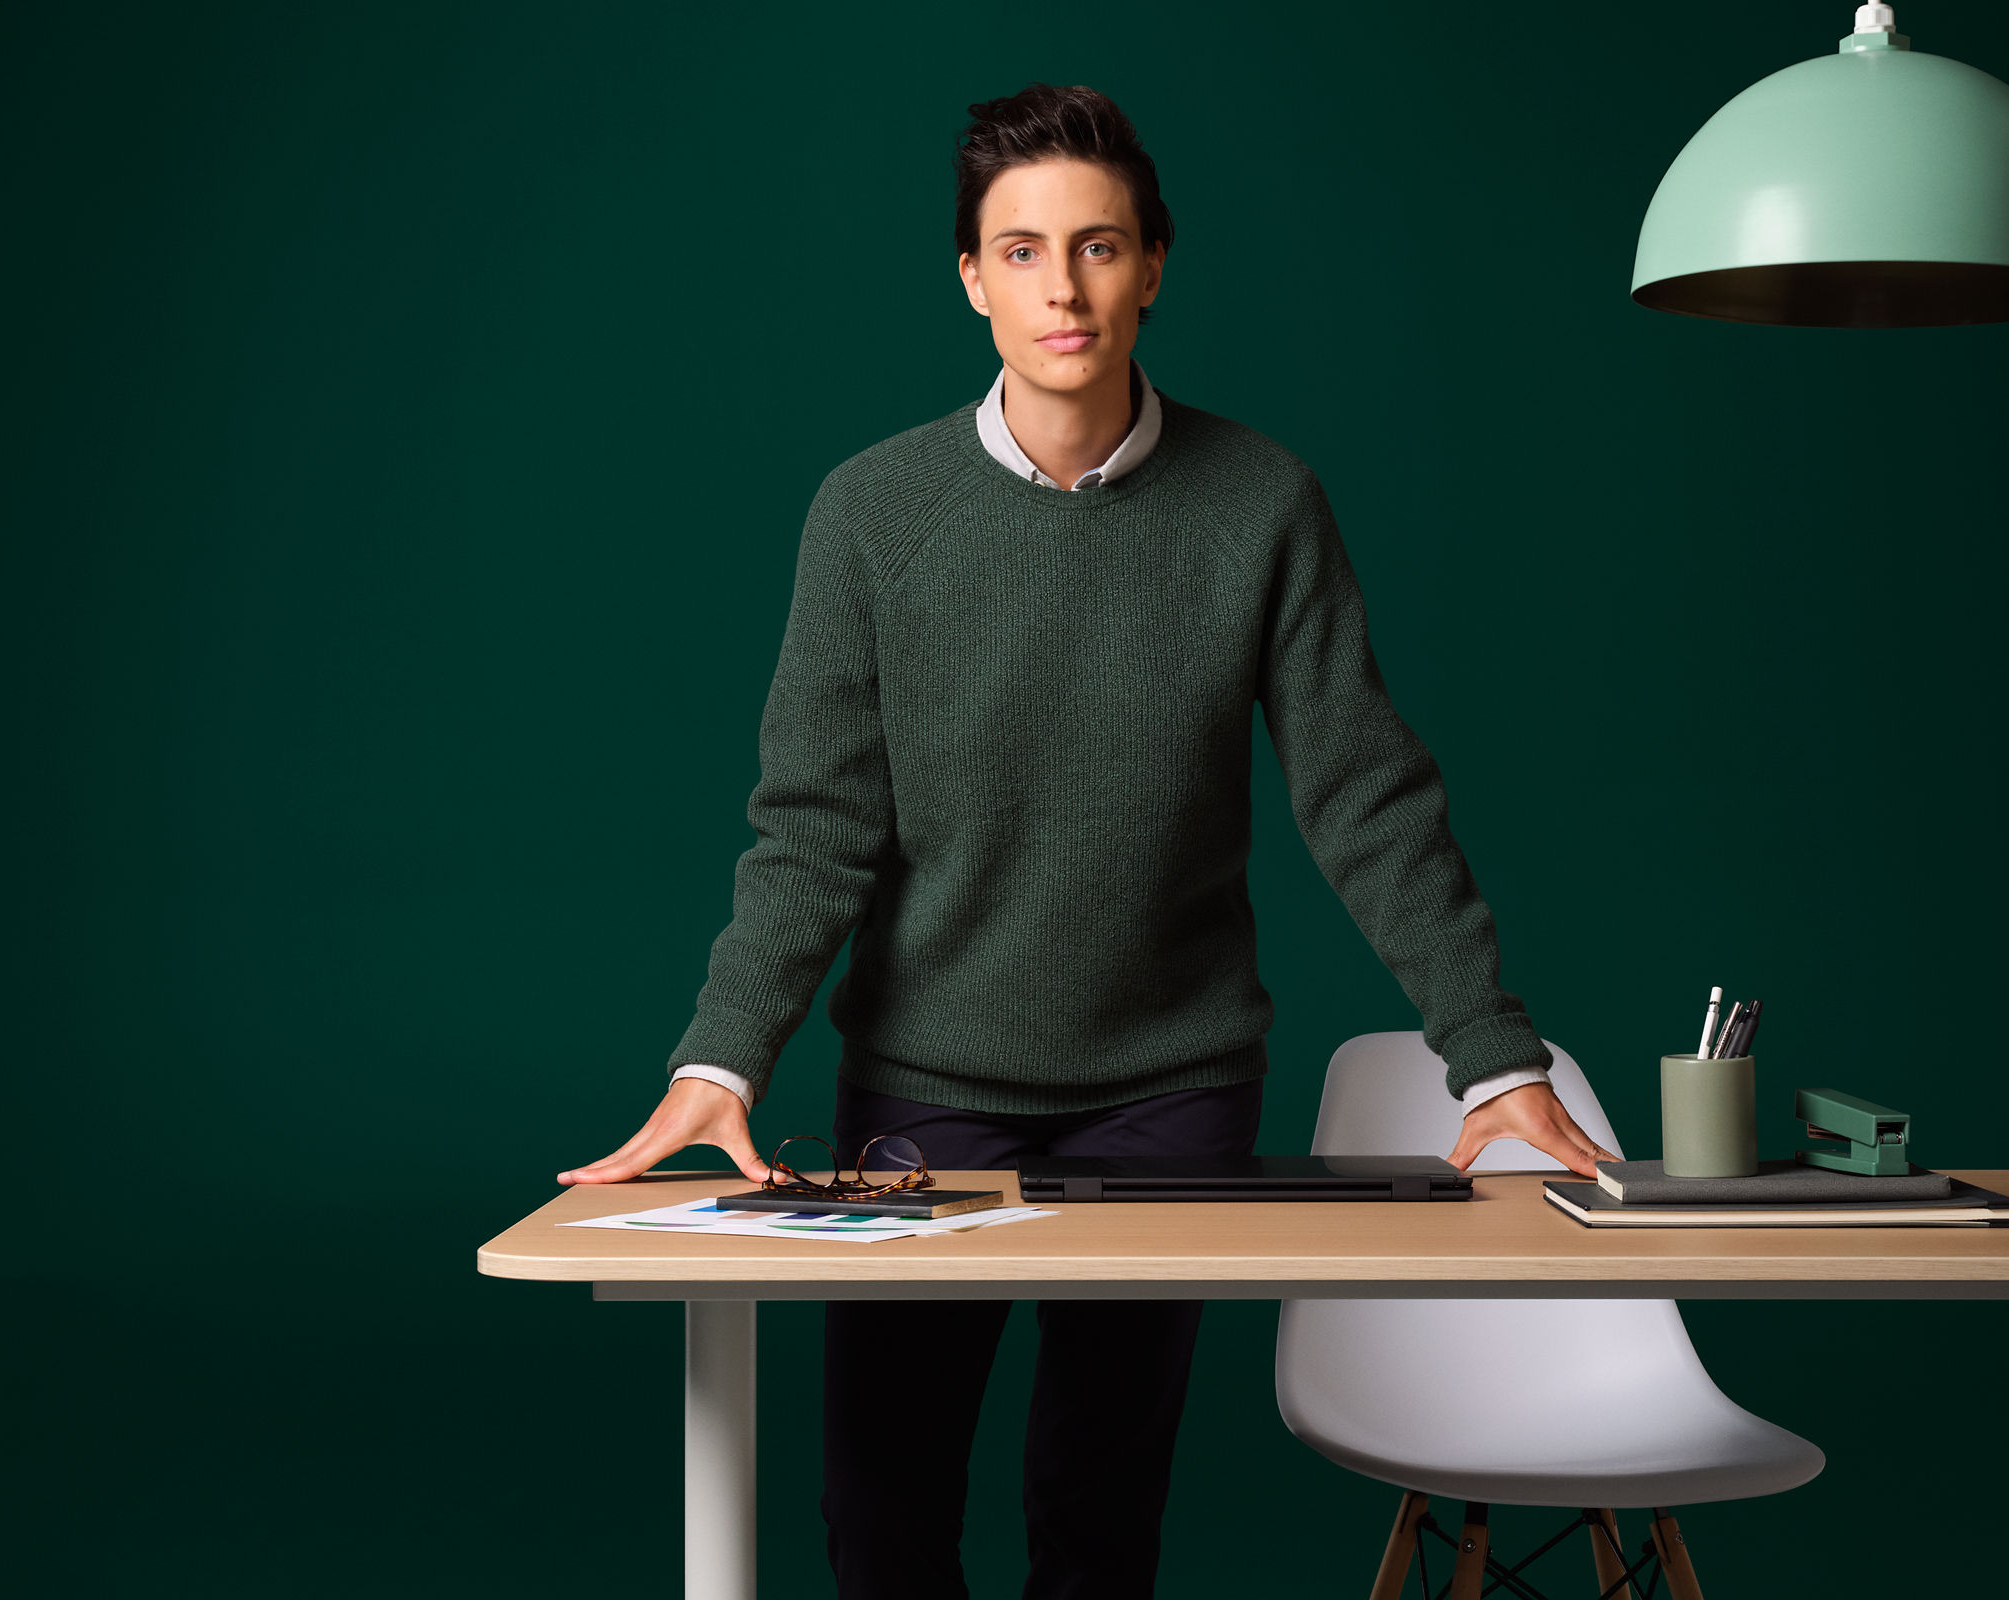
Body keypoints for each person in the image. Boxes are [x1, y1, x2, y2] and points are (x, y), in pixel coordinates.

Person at [558, 82, 1619, 1600]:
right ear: (971, 277)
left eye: (1100, 246)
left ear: (1155, 264)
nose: (1063, 289)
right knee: (884, 1507)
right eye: (1024, 251)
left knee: (1100, 1513)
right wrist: (715, 1062)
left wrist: (1495, 1056)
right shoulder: (869, 513)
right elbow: (811, 832)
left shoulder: (1262, 503)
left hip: (1170, 1091)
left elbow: (1362, 794)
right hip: (922, 1094)